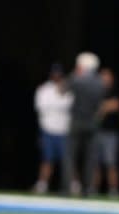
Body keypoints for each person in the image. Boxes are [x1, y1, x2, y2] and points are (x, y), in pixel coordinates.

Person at [63, 52, 105, 196]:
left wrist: (75, 74)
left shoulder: (77, 79)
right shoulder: (100, 82)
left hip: (77, 122)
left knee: (70, 156)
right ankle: (88, 188)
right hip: (92, 123)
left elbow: (62, 89)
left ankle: (68, 187)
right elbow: (100, 103)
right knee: (90, 158)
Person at [31, 64, 72, 194]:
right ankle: (42, 184)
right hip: (48, 129)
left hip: (64, 130)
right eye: (55, 74)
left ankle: (73, 184)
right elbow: (41, 108)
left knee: (68, 160)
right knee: (47, 159)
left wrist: (61, 94)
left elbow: (69, 106)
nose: (57, 76)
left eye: (59, 74)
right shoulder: (43, 90)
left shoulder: (68, 90)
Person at [92, 67, 119, 197]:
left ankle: (113, 190)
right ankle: (93, 188)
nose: (105, 79)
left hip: (111, 133)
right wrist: (105, 107)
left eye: (107, 77)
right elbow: (92, 109)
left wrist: (102, 107)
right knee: (95, 163)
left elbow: (116, 105)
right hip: (96, 132)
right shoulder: (95, 91)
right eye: (103, 77)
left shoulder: (115, 91)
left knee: (111, 163)